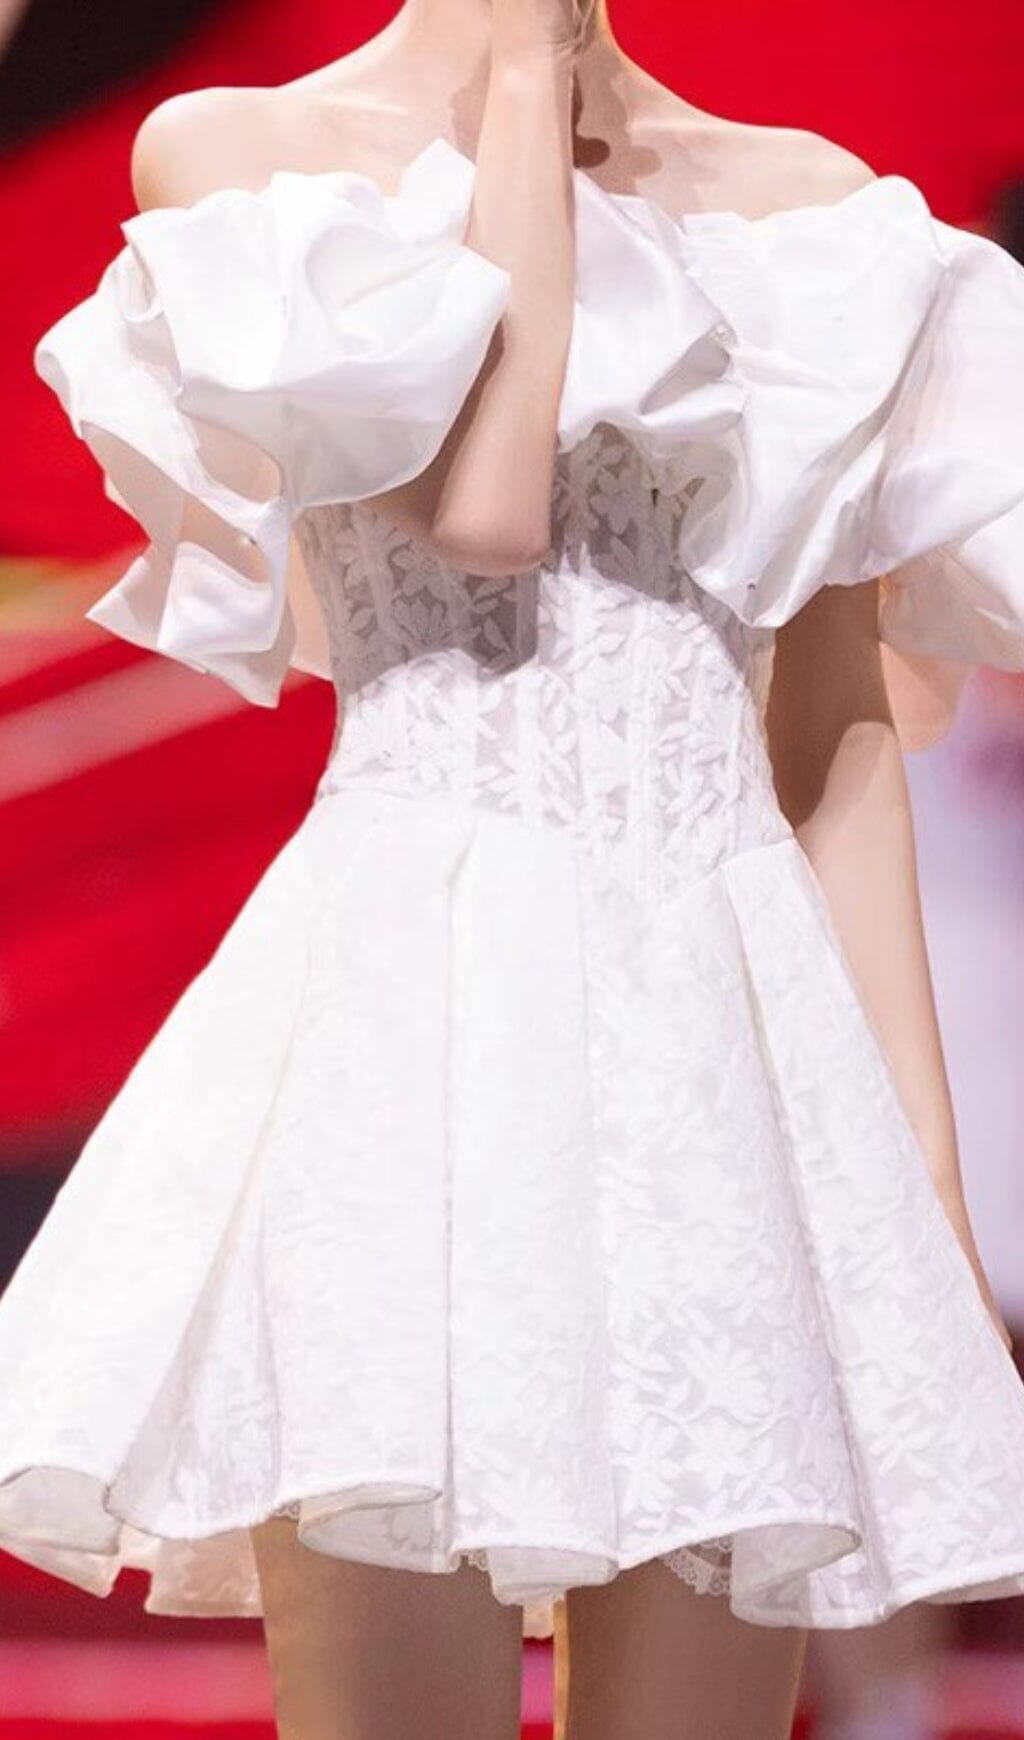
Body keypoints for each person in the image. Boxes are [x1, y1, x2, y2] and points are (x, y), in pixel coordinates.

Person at [2, 2, 1024, 1738]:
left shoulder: (809, 212)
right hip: (408, 1039)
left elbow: (831, 737)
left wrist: (924, 1202)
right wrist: (526, 91)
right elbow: (488, 512)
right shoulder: (256, 159)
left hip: (718, 1057)